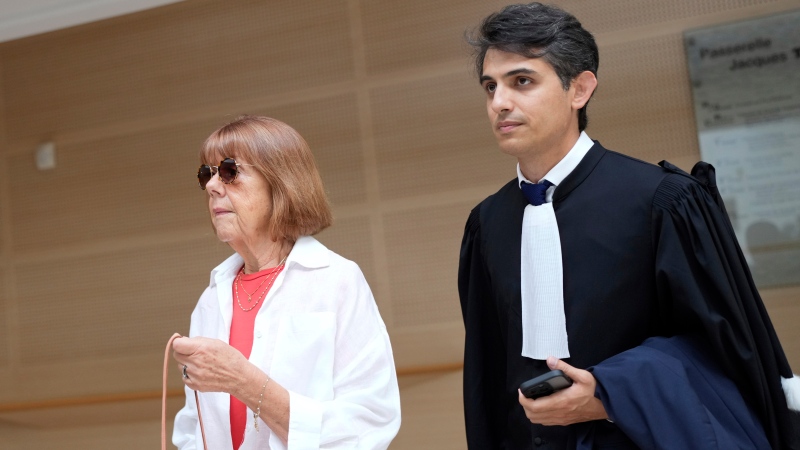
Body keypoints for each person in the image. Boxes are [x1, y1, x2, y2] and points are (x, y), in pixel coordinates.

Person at [458, 3, 800, 449]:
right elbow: (487, 378)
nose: (500, 102)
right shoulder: (487, 224)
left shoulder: (664, 201)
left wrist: (611, 394)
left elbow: (728, 353)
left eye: (522, 81)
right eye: (490, 87)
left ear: (579, 89)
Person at [171, 115, 401, 449]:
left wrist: (245, 381)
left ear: (280, 181)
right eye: (206, 174)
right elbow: (193, 429)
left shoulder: (337, 281)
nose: (211, 185)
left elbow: (369, 422)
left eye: (229, 171)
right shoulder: (210, 299)